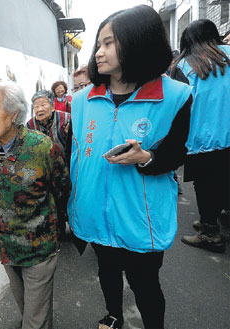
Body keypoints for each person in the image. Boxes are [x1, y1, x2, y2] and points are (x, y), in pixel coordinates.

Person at [68, 5, 193, 329]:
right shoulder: (81, 100)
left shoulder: (176, 97)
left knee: (145, 284)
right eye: (99, 43)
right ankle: (113, 316)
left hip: (141, 215)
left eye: (109, 43)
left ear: (139, 42)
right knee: (106, 272)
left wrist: (145, 158)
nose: (99, 51)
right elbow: (77, 154)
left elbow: (179, 152)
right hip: (95, 210)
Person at [0, 83, 70, 329]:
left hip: (38, 247)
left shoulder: (42, 147)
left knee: (34, 321)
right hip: (6, 246)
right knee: (26, 309)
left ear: (13, 116)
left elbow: (62, 187)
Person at [169, 19, 230, 253]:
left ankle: (209, 233)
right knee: (225, 179)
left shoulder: (185, 66)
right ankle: (216, 219)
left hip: (203, 138)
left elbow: (177, 106)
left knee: (206, 185)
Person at [27, 90, 71, 161]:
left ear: (52, 106)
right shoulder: (30, 125)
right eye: (36, 106)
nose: (40, 109)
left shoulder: (66, 119)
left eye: (43, 105)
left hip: (66, 163)